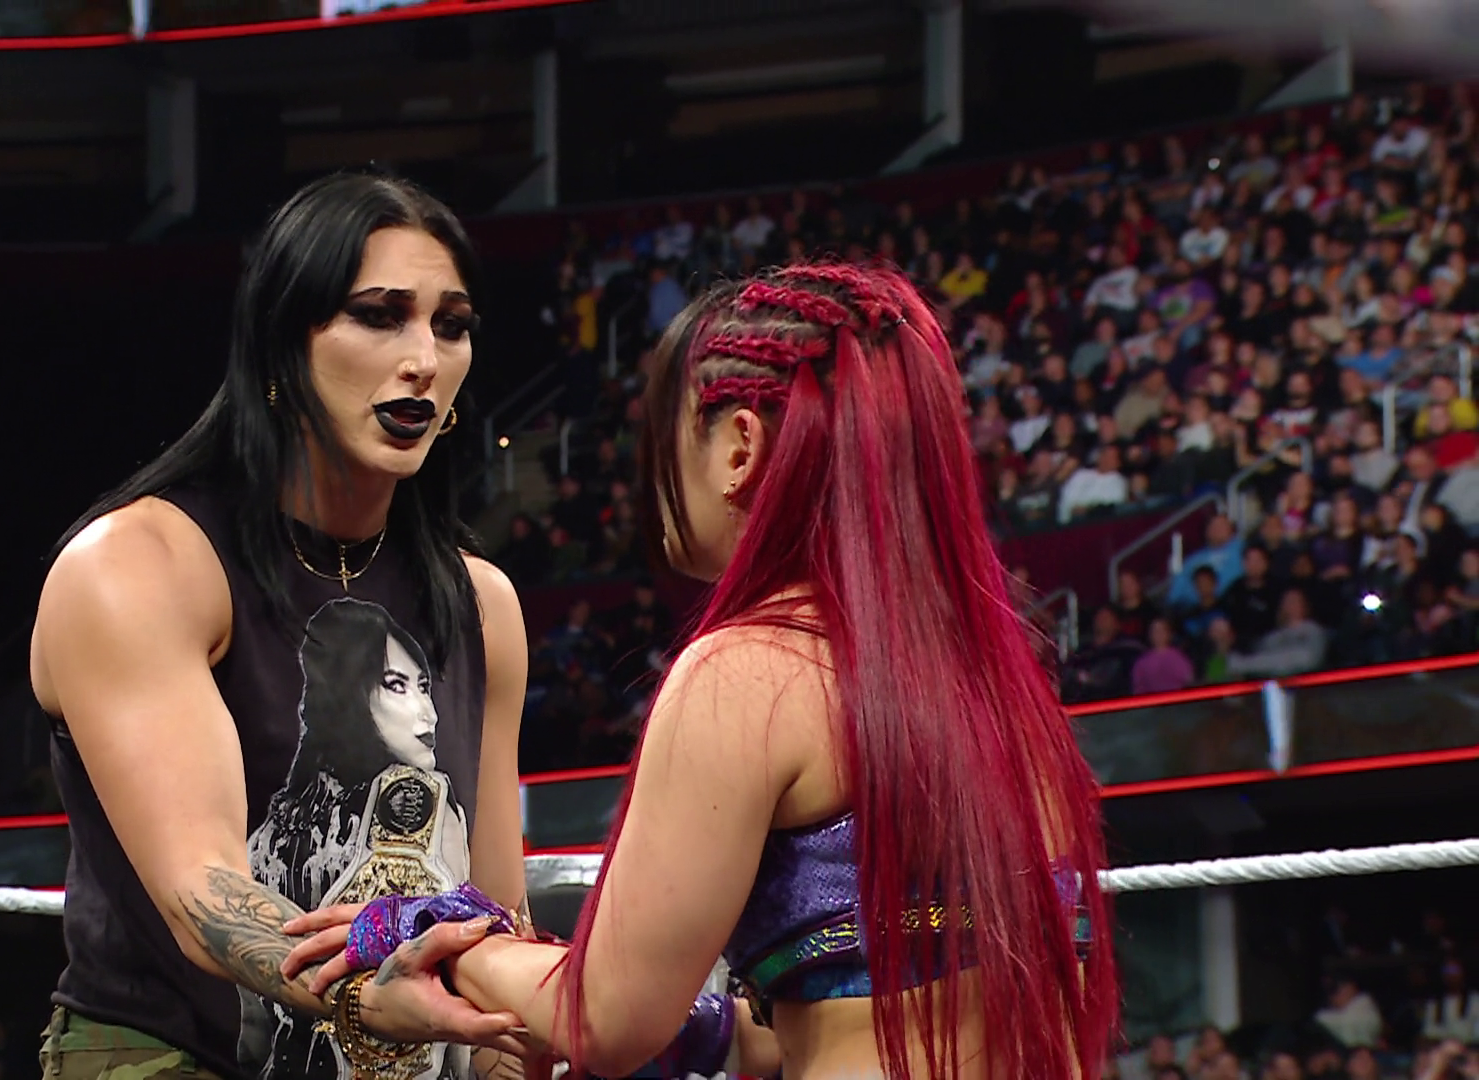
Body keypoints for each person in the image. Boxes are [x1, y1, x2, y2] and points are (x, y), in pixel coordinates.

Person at [286, 261, 1117, 1080]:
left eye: (667, 436)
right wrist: (693, 1022)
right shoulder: (1003, 691)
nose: (655, 474)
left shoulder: (750, 674)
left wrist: (432, 927)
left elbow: (601, 1019)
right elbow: (846, 1008)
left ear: (739, 448)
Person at [29, 171, 535, 1080]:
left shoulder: (482, 603)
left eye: (451, 324)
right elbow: (205, 890)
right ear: (281, 341)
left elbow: (494, 914)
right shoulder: (138, 566)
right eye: (379, 315)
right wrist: (363, 990)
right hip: (178, 1058)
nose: (424, 357)